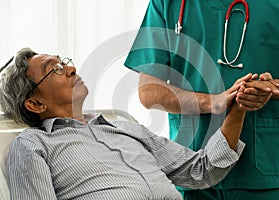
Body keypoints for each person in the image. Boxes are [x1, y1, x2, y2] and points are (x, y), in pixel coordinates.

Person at [0, 48, 265, 199]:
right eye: (54, 69)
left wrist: (239, 107)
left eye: (64, 62)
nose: (71, 69)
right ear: (35, 104)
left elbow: (202, 171)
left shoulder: (125, 128)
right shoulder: (32, 145)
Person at [124, 0, 279, 199]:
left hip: (265, 171)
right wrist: (213, 102)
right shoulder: (167, 3)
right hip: (191, 169)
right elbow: (149, 92)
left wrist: (272, 88)